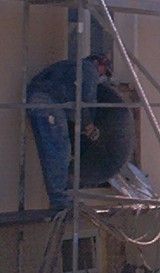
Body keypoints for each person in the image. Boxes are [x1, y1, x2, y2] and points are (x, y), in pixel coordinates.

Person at [27, 54, 134, 211]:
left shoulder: (71, 67)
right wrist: (89, 127)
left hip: (39, 99)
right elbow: (84, 102)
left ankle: (60, 198)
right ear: (98, 63)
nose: (103, 76)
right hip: (48, 103)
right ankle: (60, 201)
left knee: (52, 149)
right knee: (59, 150)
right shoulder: (89, 69)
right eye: (105, 72)